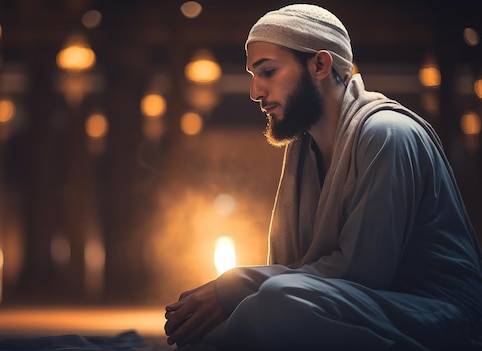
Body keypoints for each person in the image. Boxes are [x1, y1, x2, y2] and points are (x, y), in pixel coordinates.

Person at [164, 4, 482, 351]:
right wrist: (235, 298)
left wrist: (234, 286)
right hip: (359, 307)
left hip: (437, 315)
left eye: (268, 71)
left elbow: (363, 274)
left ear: (320, 64)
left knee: (275, 300)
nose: (256, 92)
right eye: (253, 75)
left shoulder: (388, 134)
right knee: (258, 306)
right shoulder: (304, 147)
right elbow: (297, 272)